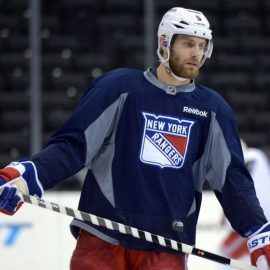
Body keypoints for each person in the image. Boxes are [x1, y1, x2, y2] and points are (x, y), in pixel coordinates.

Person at [0, 7, 270, 270]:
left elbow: (232, 179)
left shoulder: (212, 110)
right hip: (103, 236)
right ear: (164, 43)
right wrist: (28, 175)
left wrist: (258, 231)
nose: (196, 53)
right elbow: (73, 146)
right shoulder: (118, 88)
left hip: (167, 244)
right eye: (188, 44)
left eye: (202, 46)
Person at [218, 140, 270, 269]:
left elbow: (238, 189)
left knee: (222, 256)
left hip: (255, 222)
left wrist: (225, 218)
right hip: (259, 221)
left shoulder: (250, 158)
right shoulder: (257, 157)